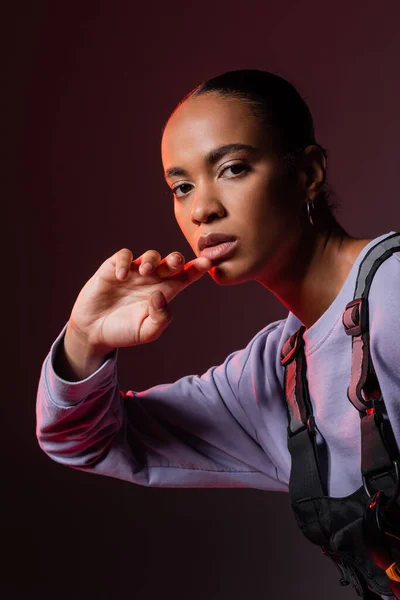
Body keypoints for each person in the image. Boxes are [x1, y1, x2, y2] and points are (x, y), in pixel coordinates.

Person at [36, 70, 400, 598]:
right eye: (181, 186)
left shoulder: (392, 291)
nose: (201, 208)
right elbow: (86, 442)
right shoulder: (277, 375)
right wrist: (85, 339)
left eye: (232, 168)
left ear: (308, 173)